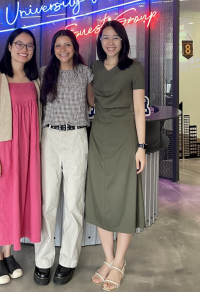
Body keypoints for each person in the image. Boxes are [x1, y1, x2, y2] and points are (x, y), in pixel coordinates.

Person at [85, 20, 146, 291]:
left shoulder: (134, 68)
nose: (110, 43)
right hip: (98, 136)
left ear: (123, 41)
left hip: (124, 137)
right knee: (100, 196)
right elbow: (91, 101)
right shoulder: (94, 68)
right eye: (105, 37)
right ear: (99, 41)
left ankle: (120, 261)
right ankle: (108, 259)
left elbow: (137, 110)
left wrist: (141, 147)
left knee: (122, 197)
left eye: (116, 38)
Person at [0, 28, 42, 285]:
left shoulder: (34, 79)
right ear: (9, 46)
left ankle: (8, 252)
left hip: (28, 151)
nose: (24, 49)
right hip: (3, 149)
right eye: (19, 44)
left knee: (18, 199)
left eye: (29, 46)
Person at [34, 30, 93, 286]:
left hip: (77, 137)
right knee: (47, 203)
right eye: (58, 45)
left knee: (73, 203)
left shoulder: (85, 72)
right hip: (50, 138)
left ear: (75, 46)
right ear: (53, 48)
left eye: (67, 44)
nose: (62, 49)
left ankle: (68, 260)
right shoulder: (43, 72)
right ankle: (43, 261)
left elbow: (93, 102)